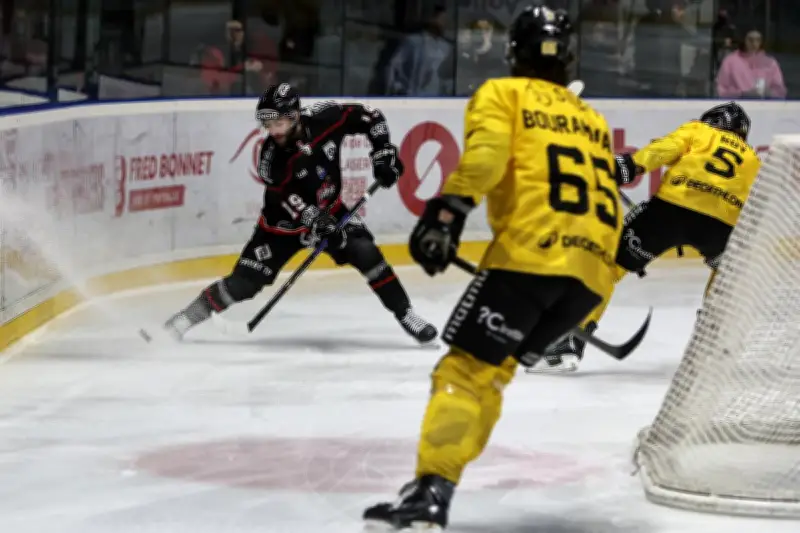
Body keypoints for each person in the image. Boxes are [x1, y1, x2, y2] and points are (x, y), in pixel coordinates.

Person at [362, 5, 622, 530]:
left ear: (513, 53)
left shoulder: (503, 94)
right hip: (592, 278)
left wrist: (446, 213)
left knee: (464, 371)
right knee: (494, 374)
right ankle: (434, 485)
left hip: (531, 258)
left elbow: (485, 156)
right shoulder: (590, 117)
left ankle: (431, 492)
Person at [162, 83, 437, 344]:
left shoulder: (324, 119)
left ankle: (406, 315)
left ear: (294, 116)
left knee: (365, 252)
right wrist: (314, 220)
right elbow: (286, 199)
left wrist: (382, 154)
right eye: (268, 125)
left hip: (331, 210)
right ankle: (183, 320)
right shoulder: (271, 158)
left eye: (278, 123)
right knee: (243, 285)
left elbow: (370, 116)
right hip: (281, 227)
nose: (273, 131)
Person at [535, 101, 761, 373]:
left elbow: (661, 151)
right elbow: (758, 206)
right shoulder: (753, 158)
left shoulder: (698, 131)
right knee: (725, 277)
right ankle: (712, 349)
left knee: (607, 265)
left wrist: (626, 168)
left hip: (670, 213)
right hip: (722, 226)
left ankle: (567, 344)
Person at [716, 29, 787, 99]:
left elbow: (780, 91)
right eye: (750, 40)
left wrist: (770, 93)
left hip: (764, 106)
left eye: (758, 40)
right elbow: (722, 90)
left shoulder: (771, 63)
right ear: (744, 40)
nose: (754, 43)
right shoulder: (730, 61)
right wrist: (741, 94)